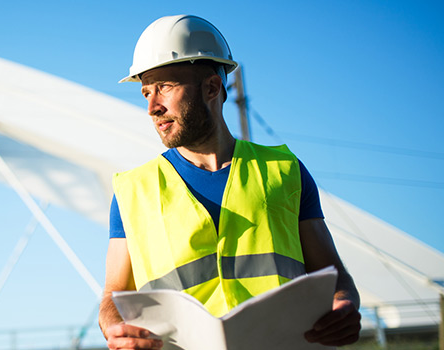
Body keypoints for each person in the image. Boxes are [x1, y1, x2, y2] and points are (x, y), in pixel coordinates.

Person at [98, 15, 361, 349]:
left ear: (212, 87)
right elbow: (112, 297)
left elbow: (334, 277)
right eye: (146, 92)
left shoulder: (284, 170)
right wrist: (114, 329)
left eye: (164, 87)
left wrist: (345, 305)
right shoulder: (132, 192)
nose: (152, 107)